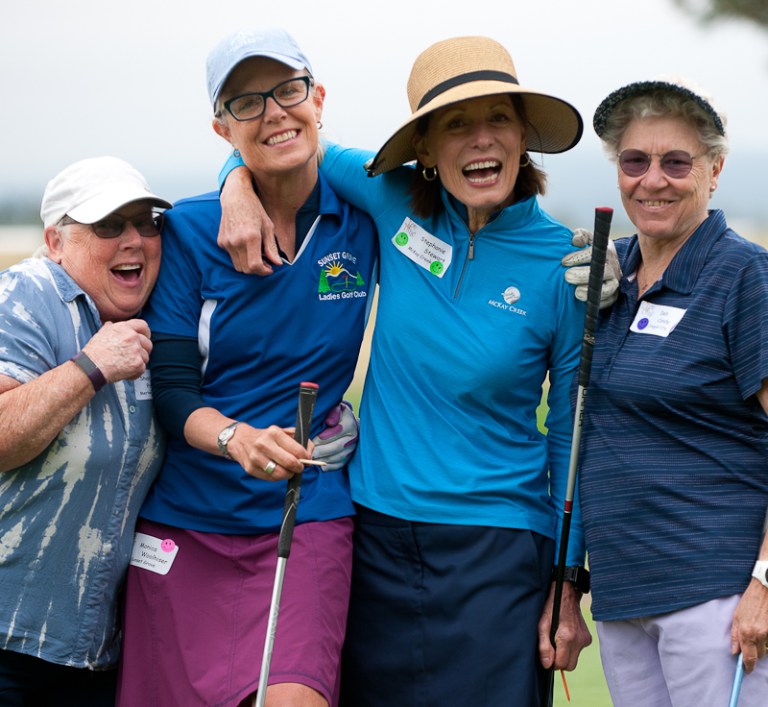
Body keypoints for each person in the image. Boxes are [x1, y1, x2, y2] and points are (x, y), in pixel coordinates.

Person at [219, 34, 593, 706]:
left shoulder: (562, 265)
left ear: (523, 135)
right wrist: (235, 189)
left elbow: (570, 436)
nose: (481, 140)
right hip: (376, 532)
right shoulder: (390, 195)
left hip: (501, 546)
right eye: (456, 124)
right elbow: (276, 138)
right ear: (424, 147)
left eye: (498, 119)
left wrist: (569, 582)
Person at [116, 28, 377, 707]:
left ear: (319, 97)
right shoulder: (191, 229)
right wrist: (236, 437)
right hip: (186, 518)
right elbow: (172, 392)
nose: (274, 112)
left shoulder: (366, 217)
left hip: (306, 510)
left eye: (288, 90)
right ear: (221, 126)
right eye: (246, 102)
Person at [578, 77, 768, 707]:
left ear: (713, 171)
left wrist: (767, 582)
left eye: (676, 162)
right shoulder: (609, 272)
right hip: (624, 591)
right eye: (635, 161)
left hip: (715, 594)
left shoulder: (744, 275)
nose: (652, 179)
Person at [0, 156, 171, 705]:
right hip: (9, 640)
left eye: (147, 223)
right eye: (108, 225)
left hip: (92, 652)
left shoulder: (152, 316)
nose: (134, 240)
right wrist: (89, 368)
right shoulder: (29, 294)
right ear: (56, 240)